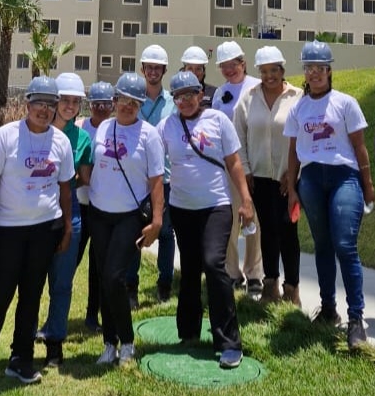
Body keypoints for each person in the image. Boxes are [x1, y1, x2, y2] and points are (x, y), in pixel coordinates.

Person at [0, 76, 74, 394]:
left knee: (31, 296)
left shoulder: (60, 142)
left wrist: (66, 228)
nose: (44, 110)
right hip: (8, 229)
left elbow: (65, 189)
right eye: (38, 103)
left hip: (45, 228)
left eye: (49, 105)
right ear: (27, 105)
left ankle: (21, 358)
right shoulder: (6, 137)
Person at [281, 42, 374, 350]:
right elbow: (293, 151)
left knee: (345, 246)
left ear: (329, 70)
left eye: (320, 68)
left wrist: (368, 185)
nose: (315, 73)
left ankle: (356, 318)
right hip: (310, 178)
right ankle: (328, 308)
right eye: (309, 68)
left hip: (343, 176)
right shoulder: (299, 107)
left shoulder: (345, 103)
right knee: (322, 245)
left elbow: (360, 147)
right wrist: (292, 187)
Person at [159, 71, 254, 369]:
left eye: (190, 94)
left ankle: (228, 341)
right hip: (182, 207)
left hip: (216, 205)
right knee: (188, 270)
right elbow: (149, 157)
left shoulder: (218, 121)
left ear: (201, 94)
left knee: (214, 264)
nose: (185, 101)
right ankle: (188, 333)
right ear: (173, 100)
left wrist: (246, 199)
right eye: (179, 96)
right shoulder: (167, 125)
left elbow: (234, 162)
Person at [89, 72, 165, 365]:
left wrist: (156, 221)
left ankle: (128, 342)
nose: (128, 106)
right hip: (99, 213)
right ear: (115, 100)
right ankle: (109, 343)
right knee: (103, 277)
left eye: (135, 102)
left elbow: (157, 180)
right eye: (124, 100)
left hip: (128, 216)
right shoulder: (103, 128)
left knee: (114, 277)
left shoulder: (149, 134)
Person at [233, 45, 303, 305]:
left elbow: (305, 138)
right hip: (259, 177)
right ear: (259, 72)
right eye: (264, 71)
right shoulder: (249, 98)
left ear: (282, 70)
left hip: (289, 179)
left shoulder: (297, 97)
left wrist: (295, 173)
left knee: (288, 230)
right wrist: (247, 169)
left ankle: (292, 288)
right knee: (268, 232)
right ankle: (270, 284)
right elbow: (238, 136)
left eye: (274, 70)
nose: (269, 76)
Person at [38, 72, 93, 367]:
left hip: (68, 217)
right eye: (65, 101)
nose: (70, 106)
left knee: (62, 283)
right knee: (32, 283)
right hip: (36, 218)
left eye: (75, 102)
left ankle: (55, 342)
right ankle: (25, 340)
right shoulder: (37, 130)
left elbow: (84, 180)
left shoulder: (83, 138)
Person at [213, 40, 264, 299]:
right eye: (224, 65)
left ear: (243, 63)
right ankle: (232, 272)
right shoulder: (219, 94)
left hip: (255, 162)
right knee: (230, 220)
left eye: (233, 64)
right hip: (227, 165)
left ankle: (255, 274)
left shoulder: (257, 87)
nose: (229, 69)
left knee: (254, 219)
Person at [127, 43, 176, 305]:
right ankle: (131, 288)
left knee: (166, 233)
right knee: (136, 232)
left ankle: (164, 286)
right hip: (136, 176)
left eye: (158, 68)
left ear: (164, 70)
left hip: (165, 177)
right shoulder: (133, 98)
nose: (153, 72)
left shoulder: (172, 102)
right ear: (142, 69)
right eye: (149, 67)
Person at [76, 81, 114, 332]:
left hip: (102, 207)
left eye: (105, 104)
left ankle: (93, 315)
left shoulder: (114, 128)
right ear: (90, 105)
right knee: (69, 262)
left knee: (98, 265)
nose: (100, 108)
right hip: (79, 204)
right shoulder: (80, 127)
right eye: (96, 104)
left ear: (113, 105)